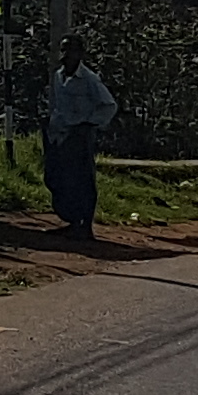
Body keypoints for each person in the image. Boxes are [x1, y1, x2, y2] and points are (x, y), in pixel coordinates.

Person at [44, 35, 117, 241]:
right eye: (64, 50)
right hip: (60, 133)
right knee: (57, 177)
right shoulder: (58, 76)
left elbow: (109, 105)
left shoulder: (89, 79)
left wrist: (89, 123)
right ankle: (72, 220)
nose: (66, 55)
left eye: (72, 50)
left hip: (80, 135)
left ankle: (86, 226)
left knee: (83, 179)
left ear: (80, 54)